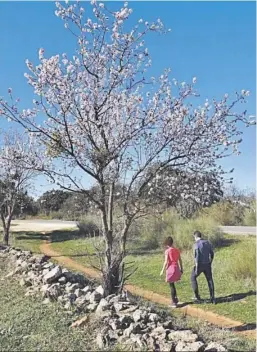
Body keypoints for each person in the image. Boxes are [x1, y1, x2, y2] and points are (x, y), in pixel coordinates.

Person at [191, 230, 215, 304]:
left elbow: (197, 256)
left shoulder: (196, 244)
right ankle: (212, 298)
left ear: (195, 236)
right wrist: (210, 262)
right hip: (207, 264)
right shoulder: (207, 242)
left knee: (193, 277)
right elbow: (212, 253)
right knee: (210, 280)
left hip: (200, 264)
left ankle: (197, 296)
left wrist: (197, 267)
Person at [160, 236, 183, 308]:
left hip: (170, 269)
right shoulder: (176, 250)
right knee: (172, 285)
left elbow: (166, 261)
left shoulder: (167, 251)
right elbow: (180, 260)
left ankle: (174, 302)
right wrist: (181, 269)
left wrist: (162, 270)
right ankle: (175, 300)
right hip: (176, 268)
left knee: (171, 286)